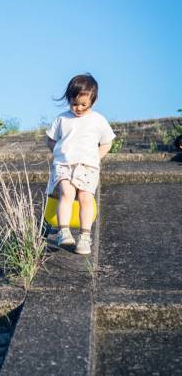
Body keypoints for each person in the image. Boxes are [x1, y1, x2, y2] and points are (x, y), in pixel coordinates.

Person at [45, 73, 116, 255]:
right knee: (66, 193)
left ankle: (85, 237)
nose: (78, 108)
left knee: (85, 198)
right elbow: (50, 140)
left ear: (93, 100)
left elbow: (107, 142)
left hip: (88, 166)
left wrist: (95, 157)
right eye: (74, 103)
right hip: (64, 165)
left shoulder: (98, 120)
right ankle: (63, 231)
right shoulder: (62, 119)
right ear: (68, 99)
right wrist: (59, 152)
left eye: (84, 105)